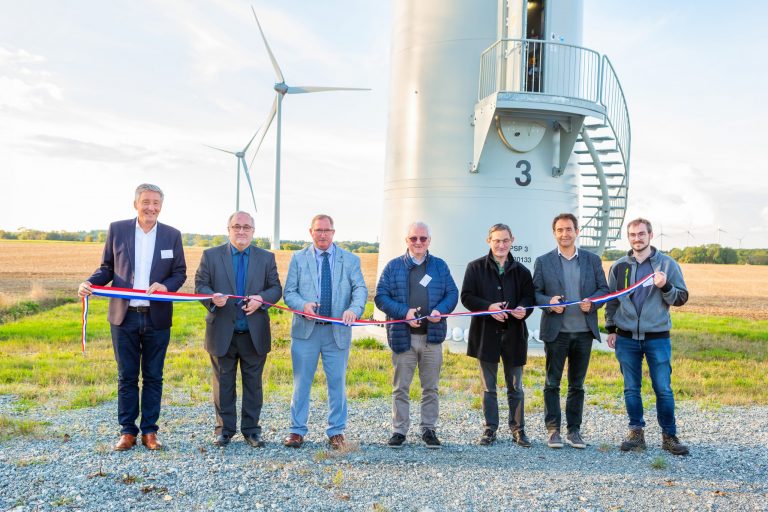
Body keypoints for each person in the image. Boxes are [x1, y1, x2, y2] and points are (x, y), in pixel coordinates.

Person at [77, 184, 186, 451]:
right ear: (135, 204)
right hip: (123, 317)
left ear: (161, 206)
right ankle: (128, 431)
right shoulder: (118, 229)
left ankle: (150, 431)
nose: (151, 207)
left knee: (153, 376)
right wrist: (90, 283)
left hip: (157, 317)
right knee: (126, 376)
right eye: (146, 202)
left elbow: (180, 272)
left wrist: (166, 286)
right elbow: (107, 268)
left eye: (156, 203)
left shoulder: (172, 235)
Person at [194, 211, 282, 448]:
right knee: (223, 384)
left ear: (253, 230)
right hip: (222, 332)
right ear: (228, 229)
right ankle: (224, 430)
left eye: (246, 227)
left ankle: (252, 430)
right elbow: (200, 285)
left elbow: (275, 288)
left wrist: (261, 299)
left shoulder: (266, 258)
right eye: (236, 227)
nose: (241, 231)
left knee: (253, 384)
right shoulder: (211, 256)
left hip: (253, 333)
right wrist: (212, 298)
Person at [605, 217, 690, 456]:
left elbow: (681, 298)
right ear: (628, 237)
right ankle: (636, 433)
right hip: (626, 338)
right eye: (632, 235)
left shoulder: (667, 264)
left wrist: (665, 286)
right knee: (631, 388)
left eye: (641, 234)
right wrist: (611, 329)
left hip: (657, 338)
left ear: (650, 236)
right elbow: (612, 300)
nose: (637, 238)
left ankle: (669, 436)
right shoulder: (619, 266)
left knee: (663, 388)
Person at [282, 214, 367, 449]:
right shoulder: (298, 259)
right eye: (318, 230)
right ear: (310, 232)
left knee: (337, 382)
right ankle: (297, 430)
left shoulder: (350, 260)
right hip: (305, 331)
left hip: (336, 332)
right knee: (302, 382)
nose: (322, 234)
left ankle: (336, 431)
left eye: (327, 230)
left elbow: (360, 288)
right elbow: (289, 292)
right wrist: (302, 306)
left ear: (333, 232)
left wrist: (354, 309)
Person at [375, 222, 458, 449]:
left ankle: (428, 429)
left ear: (429, 240)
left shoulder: (439, 267)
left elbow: (452, 293)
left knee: (430, 387)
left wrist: (440, 311)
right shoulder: (393, 267)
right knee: (401, 387)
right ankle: (399, 430)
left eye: (423, 238)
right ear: (406, 240)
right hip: (404, 337)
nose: (418, 242)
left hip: (432, 338)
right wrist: (404, 312)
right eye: (414, 238)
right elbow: (380, 297)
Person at [532, 213, 609, 449]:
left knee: (577, 385)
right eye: (560, 230)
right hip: (557, 333)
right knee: (552, 383)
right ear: (554, 233)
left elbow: (604, 290)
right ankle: (553, 430)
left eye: (569, 229)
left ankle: (574, 431)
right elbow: (534, 293)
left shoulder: (592, 260)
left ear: (577, 231)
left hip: (583, 332)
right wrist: (549, 301)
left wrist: (593, 303)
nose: (564, 234)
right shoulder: (543, 261)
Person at [461, 223, 535, 447]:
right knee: (488, 387)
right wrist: (489, 307)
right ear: (489, 241)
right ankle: (490, 429)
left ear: (512, 240)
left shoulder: (522, 272)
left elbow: (529, 299)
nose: (501, 245)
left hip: (514, 335)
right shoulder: (475, 268)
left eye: (505, 240)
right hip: (486, 335)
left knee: (516, 387)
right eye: (496, 241)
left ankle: (518, 430)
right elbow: (466, 297)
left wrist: (523, 309)